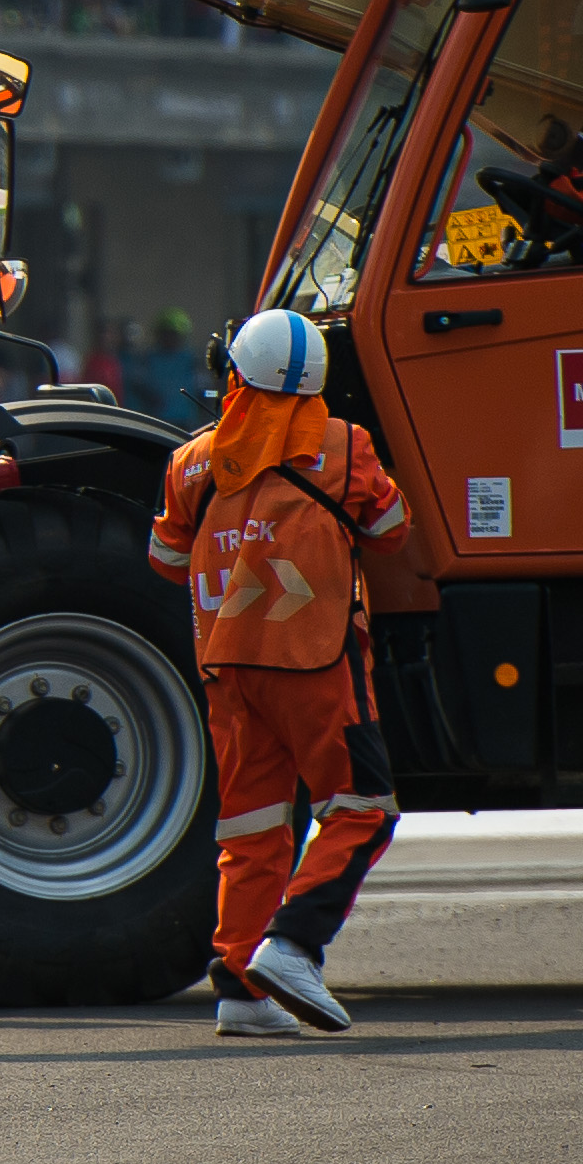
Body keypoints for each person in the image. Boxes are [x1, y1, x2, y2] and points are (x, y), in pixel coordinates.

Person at [146, 308, 412, 1039]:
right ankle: (294, 945)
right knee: (363, 807)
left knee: (253, 827)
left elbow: (165, 561)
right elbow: (393, 533)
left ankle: (239, 984)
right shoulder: (344, 445)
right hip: (316, 657)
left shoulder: (191, 463)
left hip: (228, 667)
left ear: (235, 376)